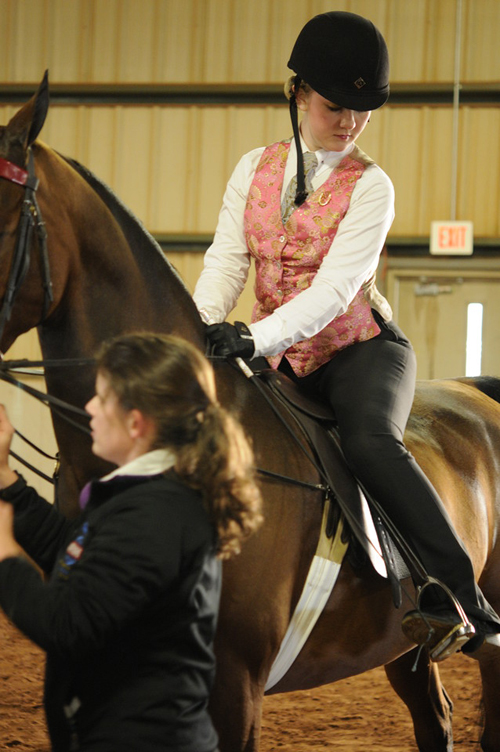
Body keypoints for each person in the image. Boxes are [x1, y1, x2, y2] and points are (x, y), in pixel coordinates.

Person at [193, 10, 500, 661]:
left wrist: (250, 336)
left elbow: (334, 294)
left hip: (361, 351)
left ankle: (460, 594)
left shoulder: (373, 188)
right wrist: (200, 331)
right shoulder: (254, 169)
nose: (350, 123)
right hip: (278, 352)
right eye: (336, 106)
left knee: (368, 440)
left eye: (362, 112)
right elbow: (225, 261)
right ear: (297, 92)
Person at [0, 332, 262, 752]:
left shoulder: (153, 515)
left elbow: (65, 624)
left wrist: (5, 556)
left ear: (137, 422)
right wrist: (5, 480)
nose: (89, 408)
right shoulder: (147, 495)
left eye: (101, 398)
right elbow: (77, 550)